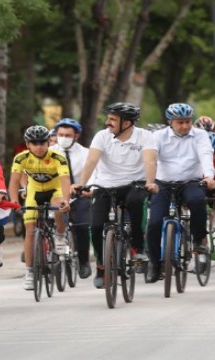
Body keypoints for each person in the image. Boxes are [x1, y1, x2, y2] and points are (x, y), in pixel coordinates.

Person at [71, 102, 158, 289]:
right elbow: (92, 160)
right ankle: (102, 265)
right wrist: (82, 183)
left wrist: (150, 182)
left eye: (112, 119)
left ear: (126, 123)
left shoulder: (145, 136)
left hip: (135, 183)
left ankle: (137, 248)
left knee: (136, 203)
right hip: (105, 185)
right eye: (108, 118)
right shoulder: (102, 136)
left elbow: (150, 161)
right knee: (94, 225)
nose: (107, 122)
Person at [145, 103, 215, 283]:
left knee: (197, 200)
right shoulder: (157, 136)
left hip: (190, 181)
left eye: (188, 121)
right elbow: (151, 160)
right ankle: (154, 263)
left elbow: (206, 155)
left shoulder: (200, 135)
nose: (185, 126)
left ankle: (198, 240)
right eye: (180, 122)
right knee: (153, 223)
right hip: (163, 183)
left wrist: (209, 176)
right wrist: (150, 181)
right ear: (170, 122)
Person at [9, 125, 71, 290]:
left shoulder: (58, 157)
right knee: (29, 231)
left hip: (55, 189)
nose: (38, 146)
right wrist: (14, 201)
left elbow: (65, 180)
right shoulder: (21, 158)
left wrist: (66, 200)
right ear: (27, 144)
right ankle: (29, 272)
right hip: (34, 191)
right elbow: (14, 181)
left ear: (48, 143)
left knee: (59, 207)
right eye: (34, 143)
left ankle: (59, 235)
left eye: (42, 142)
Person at [50, 118, 94, 279]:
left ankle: (83, 262)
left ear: (76, 136)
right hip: (56, 194)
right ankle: (46, 255)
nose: (64, 138)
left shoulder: (85, 153)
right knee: (48, 220)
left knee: (82, 227)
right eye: (60, 134)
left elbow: (93, 174)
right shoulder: (49, 152)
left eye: (68, 135)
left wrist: (89, 189)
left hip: (79, 194)